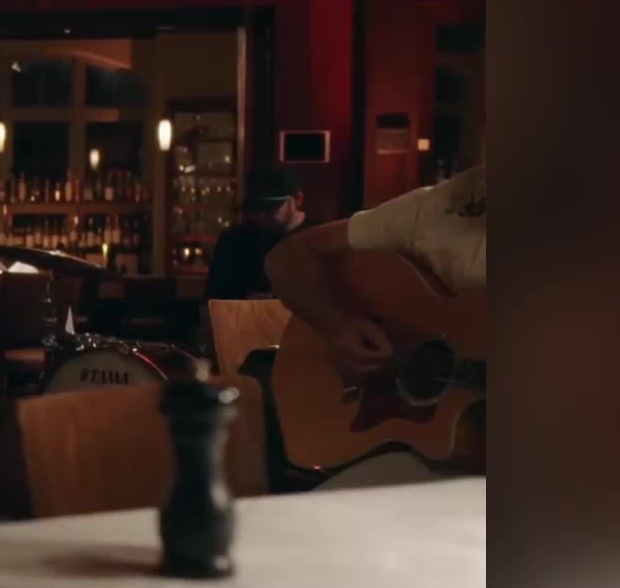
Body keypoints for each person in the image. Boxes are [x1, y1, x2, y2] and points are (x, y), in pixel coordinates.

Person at [265, 163, 486, 488]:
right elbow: (288, 256)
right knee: (316, 514)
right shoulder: (438, 206)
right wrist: (336, 326)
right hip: (420, 462)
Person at [207, 166, 317, 301]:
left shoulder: (321, 240)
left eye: (269, 209)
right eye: (255, 208)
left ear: (298, 199)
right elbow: (213, 299)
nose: (260, 216)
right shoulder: (233, 240)